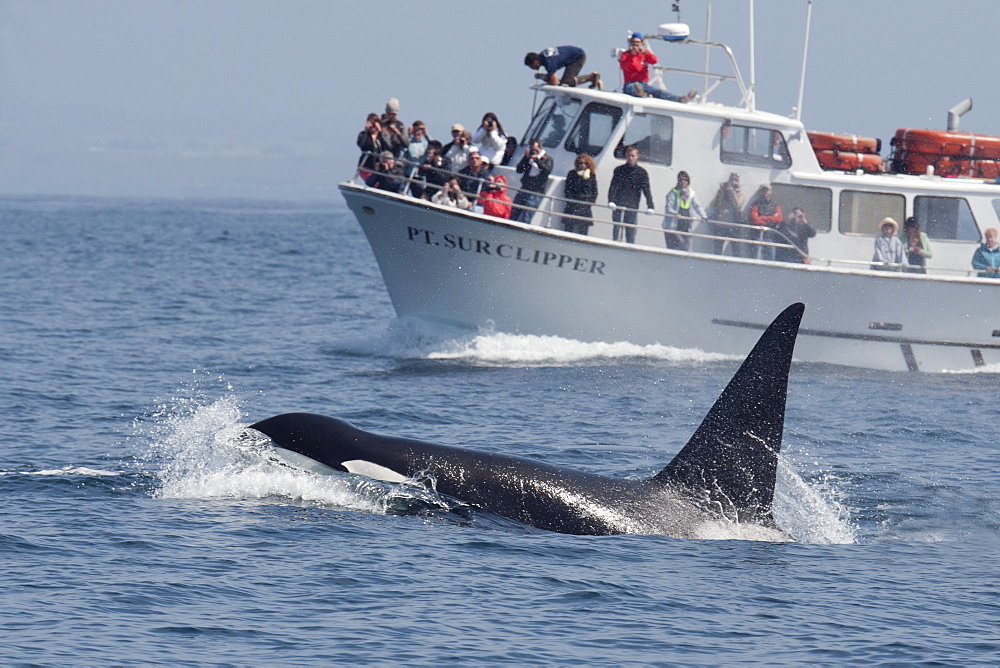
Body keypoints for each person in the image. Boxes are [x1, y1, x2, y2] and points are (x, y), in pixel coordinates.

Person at [619, 33, 696, 103]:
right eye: (633, 42)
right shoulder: (626, 55)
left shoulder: (644, 54)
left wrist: (645, 53)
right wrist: (632, 56)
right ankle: (640, 93)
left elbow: (654, 61)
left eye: (637, 43)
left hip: (643, 83)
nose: (635, 45)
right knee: (631, 88)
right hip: (630, 83)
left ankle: (679, 99)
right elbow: (623, 66)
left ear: (641, 43)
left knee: (659, 92)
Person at [608, 145, 654, 244]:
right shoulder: (619, 170)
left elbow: (646, 190)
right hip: (618, 205)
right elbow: (613, 186)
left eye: (633, 156)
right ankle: (614, 248)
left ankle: (629, 250)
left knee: (631, 233)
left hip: (632, 206)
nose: (630, 158)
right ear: (625, 156)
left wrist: (650, 206)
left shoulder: (642, 173)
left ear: (637, 156)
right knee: (617, 230)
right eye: (628, 156)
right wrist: (610, 201)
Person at [511, 139, 553, 224]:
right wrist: (526, 158)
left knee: (527, 218)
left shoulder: (547, 159)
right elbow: (519, 170)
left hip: (535, 192)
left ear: (540, 148)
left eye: (535, 149)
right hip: (524, 189)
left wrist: (537, 160)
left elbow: (547, 171)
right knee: (513, 214)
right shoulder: (528, 158)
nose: (533, 151)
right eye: (531, 148)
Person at [663, 171, 707, 251]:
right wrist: (675, 214)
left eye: (685, 180)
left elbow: (697, 206)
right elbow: (668, 208)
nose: (683, 182)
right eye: (681, 180)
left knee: (686, 248)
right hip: (674, 225)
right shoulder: (673, 192)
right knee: (675, 248)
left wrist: (703, 216)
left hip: (685, 225)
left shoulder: (691, 193)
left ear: (688, 181)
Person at [523, 46, 602, 89]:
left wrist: (549, 83)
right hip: (572, 56)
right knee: (563, 82)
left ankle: (592, 77)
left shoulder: (548, 62)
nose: (532, 69)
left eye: (531, 66)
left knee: (566, 84)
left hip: (578, 57)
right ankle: (591, 78)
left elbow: (555, 83)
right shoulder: (543, 57)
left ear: (535, 62)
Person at [707, 172, 745, 255]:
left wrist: (731, 191)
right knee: (717, 250)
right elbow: (716, 204)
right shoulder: (723, 191)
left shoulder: (740, 193)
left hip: (734, 225)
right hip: (722, 223)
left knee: (736, 251)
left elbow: (738, 205)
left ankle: (736, 266)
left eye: (736, 180)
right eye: (732, 179)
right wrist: (721, 191)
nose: (733, 182)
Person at [560, 154, 598, 235]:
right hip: (573, 205)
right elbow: (567, 189)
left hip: (585, 207)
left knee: (583, 231)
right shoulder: (572, 174)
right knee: (568, 230)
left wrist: (589, 203)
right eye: (581, 163)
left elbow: (594, 192)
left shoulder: (591, 175)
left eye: (585, 163)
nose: (583, 165)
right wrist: (571, 201)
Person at [747, 183, 783, 260]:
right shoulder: (755, 204)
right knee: (754, 258)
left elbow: (779, 218)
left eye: (766, 190)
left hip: (770, 237)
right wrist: (769, 222)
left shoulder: (775, 205)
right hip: (757, 236)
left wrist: (764, 217)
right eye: (763, 190)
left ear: (770, 192)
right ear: (760, 192)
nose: (765, 192)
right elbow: (754, 219)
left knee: (770, 258)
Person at [356, 113, 391, 179]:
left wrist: (380, 131)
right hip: (366, 165)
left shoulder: (382, 136)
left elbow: (388, 147)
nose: (373, 126)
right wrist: (366, 131)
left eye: (374, 124)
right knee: (372, 182)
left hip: (379, 166)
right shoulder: (363, 134)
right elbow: (361, 145)